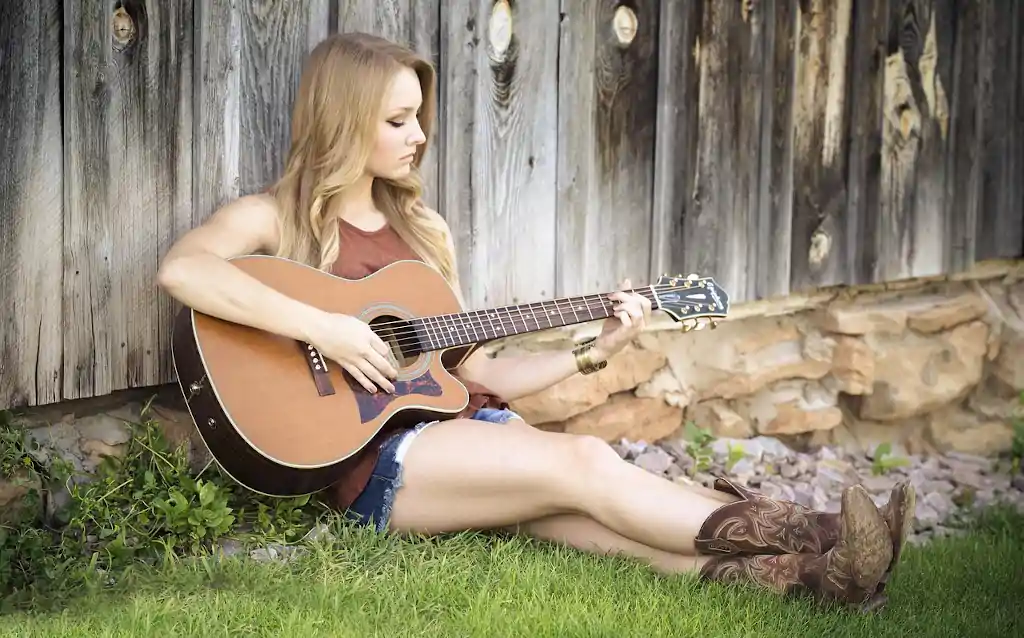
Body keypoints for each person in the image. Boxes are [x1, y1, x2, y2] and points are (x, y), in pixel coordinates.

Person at [156, 32, 914, 611]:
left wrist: (599, 346)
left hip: (470, 437)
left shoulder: (425, 239)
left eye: (419, 117)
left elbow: (482, 373)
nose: (420, 136)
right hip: (376, 464)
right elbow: (184, 271)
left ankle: (819, 580)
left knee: (604, 528)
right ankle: (824, 529)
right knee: (584, 466)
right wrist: (327, 329)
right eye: (399, 119)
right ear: (346, 122)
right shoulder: (272, 218)